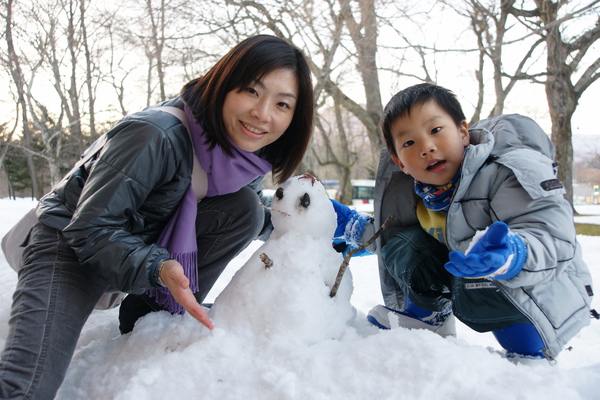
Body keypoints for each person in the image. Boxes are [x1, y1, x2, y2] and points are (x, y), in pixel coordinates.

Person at [0, 34, 314, 399]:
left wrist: (315, 222)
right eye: (251, 91)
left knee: (243, 210)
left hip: (138, 246)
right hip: (69, 243)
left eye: (282, 104)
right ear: (224, 84)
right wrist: (158, 267)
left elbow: (250, 214)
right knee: (27, 386)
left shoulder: (244, 156)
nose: (263, 114)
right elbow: (90, 227)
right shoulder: (154, 134)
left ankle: (149, 316)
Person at [332, 83, 595, 363]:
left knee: (477, 273)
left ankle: (530, 352)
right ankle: (428, 317)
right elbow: (399, 234)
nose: (426, 147)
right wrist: (354, 229)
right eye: (409, 143)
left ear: (462, 132)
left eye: (435, 130)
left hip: (539, 295)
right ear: (401, 163)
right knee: (405, 243)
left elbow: (552, 236)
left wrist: (510, 254)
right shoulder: (420, 194)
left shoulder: (505, 173)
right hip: (476, 284)